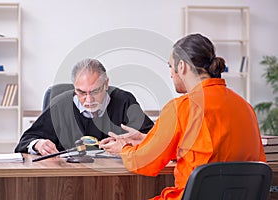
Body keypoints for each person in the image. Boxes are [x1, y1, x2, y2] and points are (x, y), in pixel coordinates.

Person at [100, 34, 266, 200]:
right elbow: (211, 153)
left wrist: (123, 149)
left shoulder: (182, 108)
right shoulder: (245, 107)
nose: (171, 74)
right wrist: (148, 140)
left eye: (170, 66)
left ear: (182, 66)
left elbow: (143, 163)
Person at [14, 58, 154, 156]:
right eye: (81, 92)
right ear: (74, 87)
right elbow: (26, 141)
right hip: (67, 181)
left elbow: (154, 139)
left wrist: (127, 143)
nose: (88, 100)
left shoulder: (124, 102)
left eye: (95, 91)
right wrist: (38, 144)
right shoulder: (60, 104)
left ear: (106, 84)